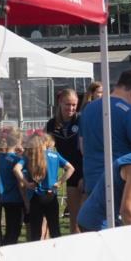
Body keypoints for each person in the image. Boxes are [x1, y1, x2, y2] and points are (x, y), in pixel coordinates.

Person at [78, 69, 131, 197]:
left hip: (93, 181)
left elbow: (83, 147)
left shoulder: (88, 109)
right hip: (121, 183)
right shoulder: (130, 111)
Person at [15, 132, 74, 241]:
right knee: (55, 230)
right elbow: (71, 168)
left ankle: (37, 255)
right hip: (51, 195)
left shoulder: (30, 156)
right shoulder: (55, 155)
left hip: (35, 196)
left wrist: (27, 184)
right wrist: (60, 182)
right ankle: (58, 254)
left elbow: (16, 169)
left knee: (35, 232)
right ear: (46, 141)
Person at [46, 88, 84, 233]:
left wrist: (86, 175)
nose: (71, 108)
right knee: (74, 216)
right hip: (70, 173)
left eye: (74, 105)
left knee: (87, 216)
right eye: (68, 104)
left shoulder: (81, 120)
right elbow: (46, 147)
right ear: (60, 103)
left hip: (86, 169)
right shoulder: (51, 124)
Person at [0, 128, 26, 245]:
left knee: (2, 230)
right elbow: (21, 183)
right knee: (13, 230)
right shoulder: (17, 160)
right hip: (15, 198)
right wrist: (26, 201)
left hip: (0, 197)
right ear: (18, 142)